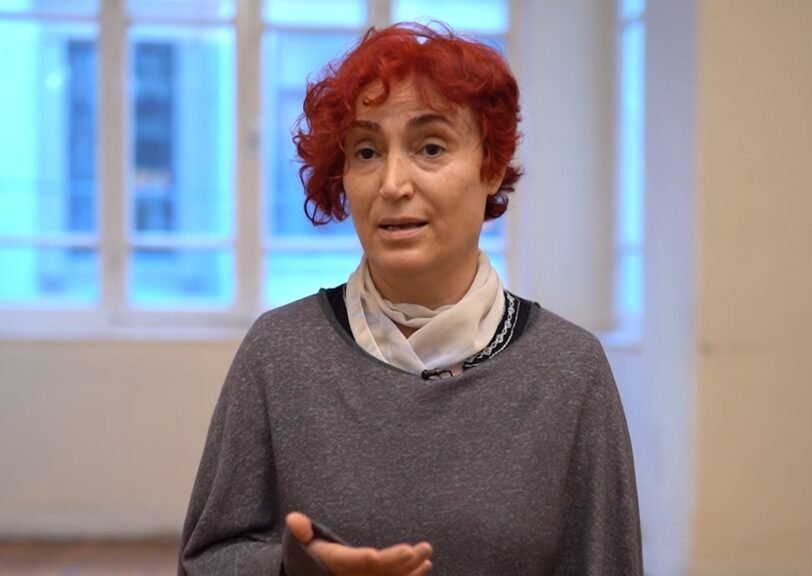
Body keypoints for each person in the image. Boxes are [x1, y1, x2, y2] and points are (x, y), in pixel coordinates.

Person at [179, 22, 642, 575]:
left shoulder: (568, 370)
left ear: (491, 167)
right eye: (367, 152)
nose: (393, 183)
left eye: (431, 147)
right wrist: (293, 571)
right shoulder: (280, 354)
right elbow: (204, 561)